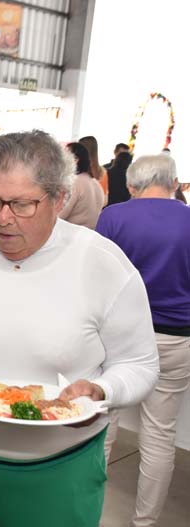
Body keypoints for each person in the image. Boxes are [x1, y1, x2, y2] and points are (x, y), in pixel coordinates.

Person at [0, 130, 159, 527]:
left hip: (58, 475)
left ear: (59, 199)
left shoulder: (103, 265)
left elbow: (140, 364)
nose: (3, 218)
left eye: (22, 204)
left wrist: (103, 390)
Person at [96, 154, 190, 527]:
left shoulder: (114, 217)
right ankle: (145, 522)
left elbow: (97, 278)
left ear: (132, 185)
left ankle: (88, 510)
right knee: (160, 435)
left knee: (103, 423)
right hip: (178, 338)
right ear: (175, 183)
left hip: (120, 334)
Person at [59, 142, 105, 229]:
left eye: (64, 155)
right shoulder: (96, 183)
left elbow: (58, 216)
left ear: (75, 159)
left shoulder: (74, 183)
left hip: (70, 233)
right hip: (90, 234)